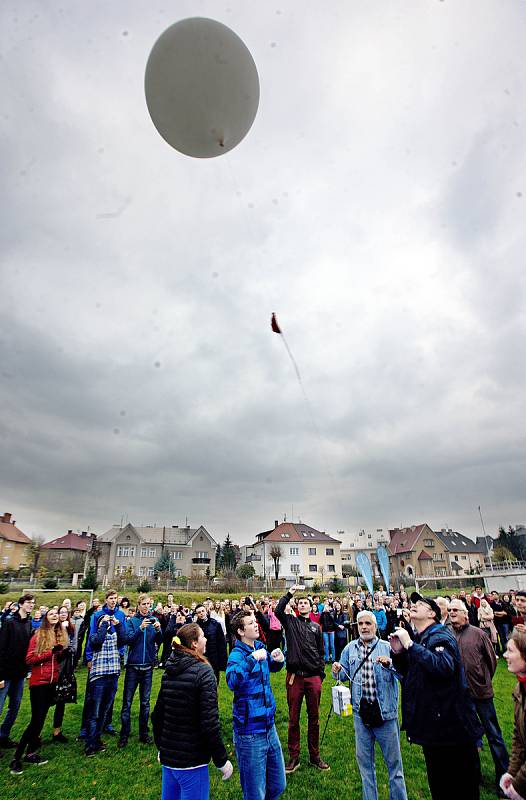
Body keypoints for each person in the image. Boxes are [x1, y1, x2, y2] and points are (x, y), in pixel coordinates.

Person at [389, 592, 480, 800]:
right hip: (435, 729)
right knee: (440, 787)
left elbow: (443, 667)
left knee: (458, 788)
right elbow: (411, 676)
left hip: (452, 730)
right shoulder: (422, 638)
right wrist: (399, 653)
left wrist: (411, 646)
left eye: (419, 604)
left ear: (432, 614)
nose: (413, 606)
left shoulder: (439, 635)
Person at [152, 623, 233, 800]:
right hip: (192, 761)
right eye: (203, 636)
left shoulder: (169, 669)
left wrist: (162, 747)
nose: (206, 639)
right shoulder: (204, 672)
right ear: (194, 643)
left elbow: (157, 715)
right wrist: (221, 760)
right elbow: (210, 722)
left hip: (170, 759)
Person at [333, 610, 407, 800]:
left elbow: (404, 675)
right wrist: (337, 670)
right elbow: (343, 675)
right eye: (360, 624)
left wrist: (390, 664)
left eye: (368, 623)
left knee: (395, 768)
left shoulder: (388, 647)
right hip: (361, 715)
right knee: (366, 768)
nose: (364, 627)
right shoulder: (350, 648)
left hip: (385, 715)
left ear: (375, 626)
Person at [449, 599, 509, 797]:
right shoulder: (449, 635)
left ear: (465, 614)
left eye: (455, 610)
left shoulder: (478, 634)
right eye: (449, 610)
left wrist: (483, 681)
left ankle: (504, 777)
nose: (451, 613)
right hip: (462, 697)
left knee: (494, 736)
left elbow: (491, 661)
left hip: (481, 694)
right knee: (470, 738)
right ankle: (474, 775)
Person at [226, 609, 286, 800]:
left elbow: (271, 665)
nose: (256, 625)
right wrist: (252, 659)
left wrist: (278, 660)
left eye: (255, 621)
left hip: (269, 726)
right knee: (255, 793)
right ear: (241, 631)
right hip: (250, 732)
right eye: (251, 623)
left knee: (278, 784)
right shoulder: (237, 655)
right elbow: (232, 681)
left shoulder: (259, 646)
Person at [275, 585, 329, 772]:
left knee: (314, 718)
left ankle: (315, 755)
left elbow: (322, 652)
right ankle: (294, 756)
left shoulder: (316, 627)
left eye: (307, 602)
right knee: (293, 719)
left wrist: (320, 673)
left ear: (311, 607)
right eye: (301, 603)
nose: (304, 604)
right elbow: (278, 610)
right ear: (298, 607)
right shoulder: (290, 622)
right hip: (295, 677)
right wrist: (290, 593)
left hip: (313, 677)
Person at [9, 608, 69, 775]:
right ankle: (17, 757)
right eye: (51, 614)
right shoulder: (38, 635)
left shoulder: (60, 635)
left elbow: (56, 660)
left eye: (57, 614)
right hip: (38, 683)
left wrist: (62, 654)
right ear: (45, 618)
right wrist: (50, 653)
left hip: (51, 683)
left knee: (41, 721)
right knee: (35, 721)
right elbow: (29, 659)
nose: (55, 615)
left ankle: (31, 752)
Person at [118, 594, 162, 748]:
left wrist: (158, 630)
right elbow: (127, 640)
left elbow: (160, 641)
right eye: (144, 604)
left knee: (145, 702)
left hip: (148, 667)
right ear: (138, 605)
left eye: (149, 604)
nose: (146, 607)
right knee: (127, 702)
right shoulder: (132, 621)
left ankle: (144, 733)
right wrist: (140, 628)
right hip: (133, 667)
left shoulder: (154, 620)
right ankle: (124, 733)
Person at [84, 605, 127, 757]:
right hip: (99, 677)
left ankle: (97, 739)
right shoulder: (94, 636)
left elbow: (124, 638)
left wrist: (118, 624)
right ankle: (90, 744)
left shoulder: (115, 637)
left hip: (112, 676)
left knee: (103, 711)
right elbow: (97, 642)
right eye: (103, 621)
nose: (106, 623)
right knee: (94, 712)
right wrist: (103, 624)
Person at [0, 594, 35, 749]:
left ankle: (3, 736)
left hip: (20, 673)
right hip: (5, 673)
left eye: (33, 603)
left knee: (15, 706)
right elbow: (1, 648)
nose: (31, 605)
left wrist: (28, 670)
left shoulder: (28, 623)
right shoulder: (8, 622)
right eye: (28, 602)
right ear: (21, 604)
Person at [501, 631, 526, 799]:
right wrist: (511, 772)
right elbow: (519, 737)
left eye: (510, 650)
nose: (504, 655)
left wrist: (519, 785)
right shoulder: (519, 689)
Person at [194, 604, 227, 684]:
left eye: (203, 611)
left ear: (206, 611)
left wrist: (223, 661)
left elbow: (222, 643)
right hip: (200, 657)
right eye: (199, 612)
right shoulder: (195, 627)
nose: (201, 613)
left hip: (214, 657)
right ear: (196, 614)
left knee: (214, 680)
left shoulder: (215, 624)